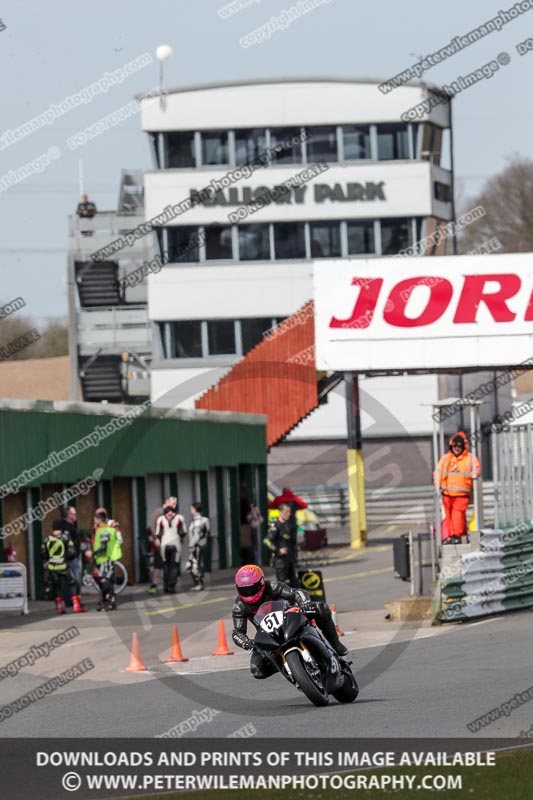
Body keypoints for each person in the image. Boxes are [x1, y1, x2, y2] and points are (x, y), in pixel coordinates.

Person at [231, 565, 348, 681]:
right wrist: (246, 643)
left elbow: (297, 593)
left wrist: (304, 602)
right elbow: (237, 632)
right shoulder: (239, 606)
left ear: (261, 582)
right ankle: (289, 666)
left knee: (320, 607)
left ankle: (335, 643)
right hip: (268, 633)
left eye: (252, 588)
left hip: (289, 618)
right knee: (257, 670)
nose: (248, 593)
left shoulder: (272, 586)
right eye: (243, 590)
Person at [434, 431, 481, 544]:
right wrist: (437, 486)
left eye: (459, 446)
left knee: (457, 515)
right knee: (449, 517)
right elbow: (437, 473)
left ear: (463, 447)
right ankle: (451, 536)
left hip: (462, 494)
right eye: (455, 446)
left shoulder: (470, 458)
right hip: (447, 493)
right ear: (451, 446)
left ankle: (457, 536)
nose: (457, 448)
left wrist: (472, 476)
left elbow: (477, 470)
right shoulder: (445, 458)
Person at [41, 519, 86, 615]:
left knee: (56, 586)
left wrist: (51, 559)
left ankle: (59, 607)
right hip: (64, 566)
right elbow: (72, 552)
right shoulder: (65, 537)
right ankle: (76, 605)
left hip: (52, 567)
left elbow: (43, 554)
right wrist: (65, 558)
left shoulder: (47, 539)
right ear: (61, 528)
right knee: (73, 583)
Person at [88, 509, 123, 611]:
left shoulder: (105, 530)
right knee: (100, 579)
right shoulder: (99, 529)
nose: (94, 519)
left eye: (95, 518)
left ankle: (109, 601)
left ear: (100, 519)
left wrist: (92, 553)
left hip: (105, 559)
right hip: (100, 559)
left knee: (105, 580)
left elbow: (103, 548)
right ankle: (106, 600)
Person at [264, 503, 298, 587]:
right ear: (281, 512)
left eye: (289, 512)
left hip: (290, 559)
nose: (289, 514)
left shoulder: (289, 525)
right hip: (280, 560)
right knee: (282, 584)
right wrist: (278, 550)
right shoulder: (275, 525)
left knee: (294, 582)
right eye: (286, 512)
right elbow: (267, 541)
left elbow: (291, 541)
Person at [155, 500, 186, 593]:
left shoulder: (160, 519)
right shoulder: (180, 518)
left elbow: (158, 533)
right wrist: (180, 539)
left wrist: (159, 540)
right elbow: (183, 532)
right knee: (175, 565)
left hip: (164, 545)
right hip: (176, 544)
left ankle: (166, 586)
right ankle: (172, 585)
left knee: (165, 565)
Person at [187, 502, 210, 591]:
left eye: (192, 508)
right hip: (197, 545)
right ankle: (198, 581)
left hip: (198, 546)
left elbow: (198, 535)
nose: (191, 510)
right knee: (191, 564)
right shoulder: (195, 521)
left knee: (195, 564)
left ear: (195, 509)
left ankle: (199, 582)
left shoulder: (201, 521)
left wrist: (191, 545)